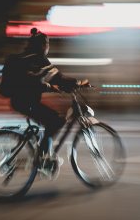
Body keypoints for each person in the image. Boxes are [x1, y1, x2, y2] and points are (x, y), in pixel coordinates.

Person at [5, 28, 89, 175]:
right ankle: (42, 159)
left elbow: (31, 81)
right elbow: (58, 78)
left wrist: (50, 87)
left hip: (20, 100)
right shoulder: (38, 59)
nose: (48, 47)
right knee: (55, 121)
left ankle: (41, 153)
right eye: (47, 44)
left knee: (49, 121)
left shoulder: (27, 58)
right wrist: (78, 83)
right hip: (27, 102)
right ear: (44, 45)